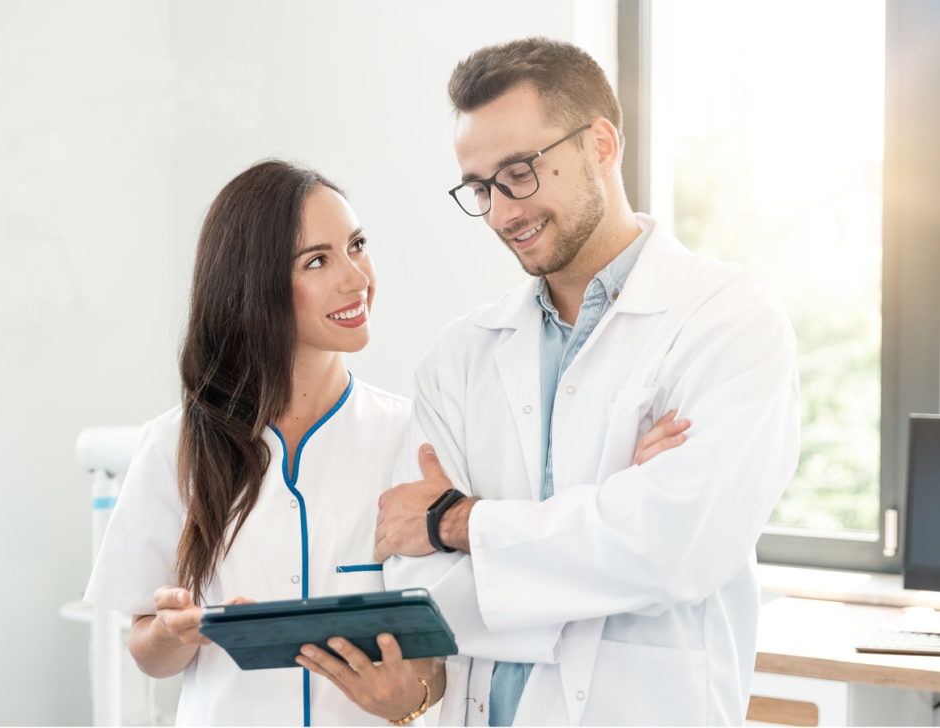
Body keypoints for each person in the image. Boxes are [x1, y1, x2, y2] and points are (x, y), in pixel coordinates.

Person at [374, 38, 800, 726]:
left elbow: (672, 551)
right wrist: (613, 509)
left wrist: (459, 522)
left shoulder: (728, 320)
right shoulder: (460, 357)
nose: (502, 213)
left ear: (601, 144)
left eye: (519, 172)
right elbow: (419, 591)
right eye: (480, 188)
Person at [84, 160, 445, 726]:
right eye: (318, 261)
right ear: (255, 285)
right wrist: (181, 632)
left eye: (357, 245)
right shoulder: (175, 445)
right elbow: (146, 650)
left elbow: (446, 645)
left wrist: (413, 700)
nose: (356, 278)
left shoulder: (414, 438)